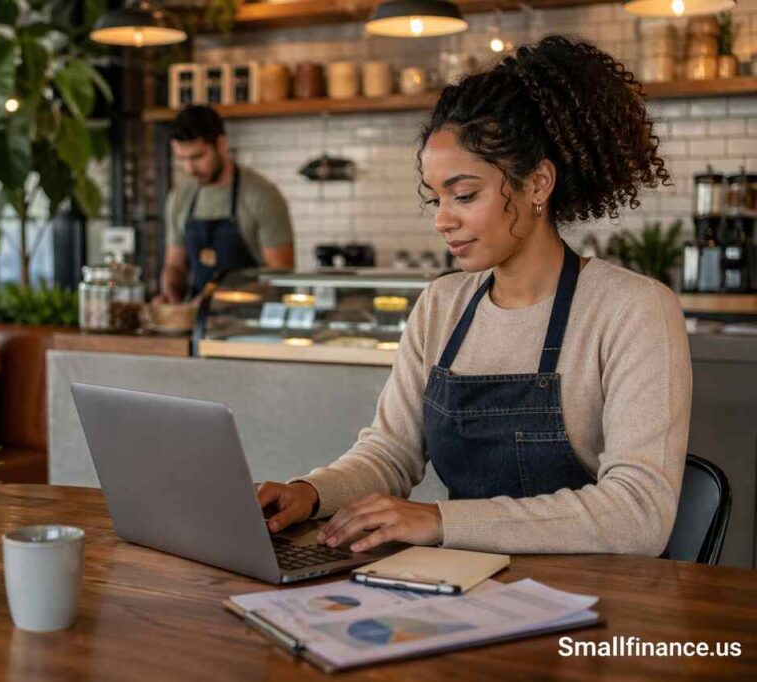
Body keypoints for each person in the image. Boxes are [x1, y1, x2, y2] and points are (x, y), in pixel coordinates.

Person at [255, 36, 692, 558]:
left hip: (596, 604)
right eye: (435, 197)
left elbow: (638, 515)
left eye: (464, 195)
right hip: (467, 588)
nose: (443, 219)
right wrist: (310, 492)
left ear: (538, 183)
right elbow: (390, 453)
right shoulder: (441, 305)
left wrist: (440, 520)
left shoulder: (633, 310)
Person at [156, 105, 295, 302]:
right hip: (198, 323)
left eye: (197, 157)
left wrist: (218, 298)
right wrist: (170, 292)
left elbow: (281, 279)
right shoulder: (180, 197)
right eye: (181, 159)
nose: (190, 168)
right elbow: (175, 266)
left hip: (251, 324)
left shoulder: (262, 196)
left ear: (221, 144)